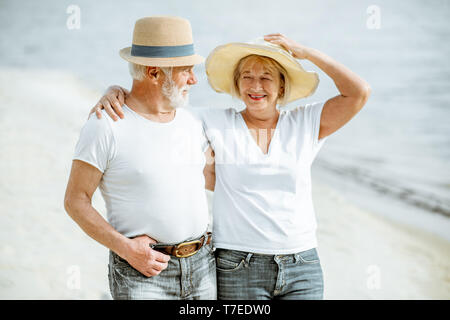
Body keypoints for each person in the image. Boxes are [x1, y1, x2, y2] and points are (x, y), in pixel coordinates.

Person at [93, 34, 371, 299]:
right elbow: (152, 103)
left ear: (282, 86)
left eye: (266, 78)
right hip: (237, 265)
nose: (255, 86)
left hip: (302, 264)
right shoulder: (214, 121)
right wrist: (117, 91)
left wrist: (307, 53)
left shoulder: (306, 123)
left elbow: (358, 92)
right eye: (247, 77)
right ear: (237, 85)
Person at [64, 16, 216, 300]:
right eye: (186, 70)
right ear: (154, 73)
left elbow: (213, 179)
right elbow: (75, 200)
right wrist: (125, 248)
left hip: (204, 267)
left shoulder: (192, 120)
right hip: (143, 273)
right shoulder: (105, 125)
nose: (195, 79)